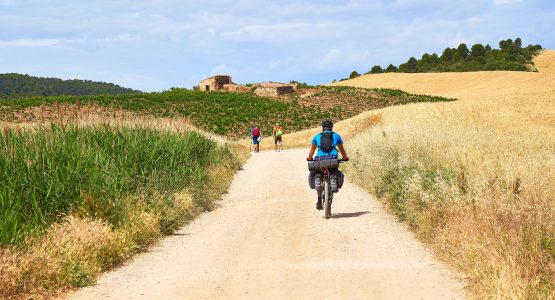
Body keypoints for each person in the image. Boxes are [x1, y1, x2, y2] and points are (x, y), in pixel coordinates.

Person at [307, 120, 349, 210]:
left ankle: (319, 200)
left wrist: (309, 158)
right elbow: (341, 149)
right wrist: (345, 157)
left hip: (319, 159)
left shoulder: (317, 136)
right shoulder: (336, 136)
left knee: (317, 174)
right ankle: (333, 180)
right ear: (331, 127)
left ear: (323, 128)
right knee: (334, 172)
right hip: (332, 159)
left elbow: (312, 150)